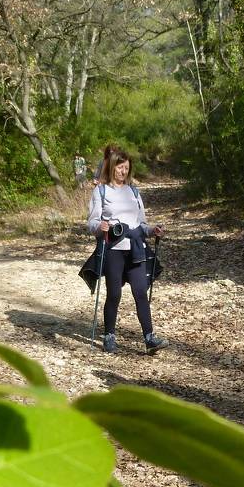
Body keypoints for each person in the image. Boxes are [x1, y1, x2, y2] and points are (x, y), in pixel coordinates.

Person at [86, 144, 165, 353]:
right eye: (120, 167)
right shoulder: (100, 192)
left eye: (127, 168)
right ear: (111, 167)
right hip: (113, 248)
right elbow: (92, 223)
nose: (124, 171)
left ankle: (149, 338)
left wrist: (153, 230)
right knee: (114, 294)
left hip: (136, 248)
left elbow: (141, 223)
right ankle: (110, 335)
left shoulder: (134, 191)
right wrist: (99, 227)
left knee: (140, 292)